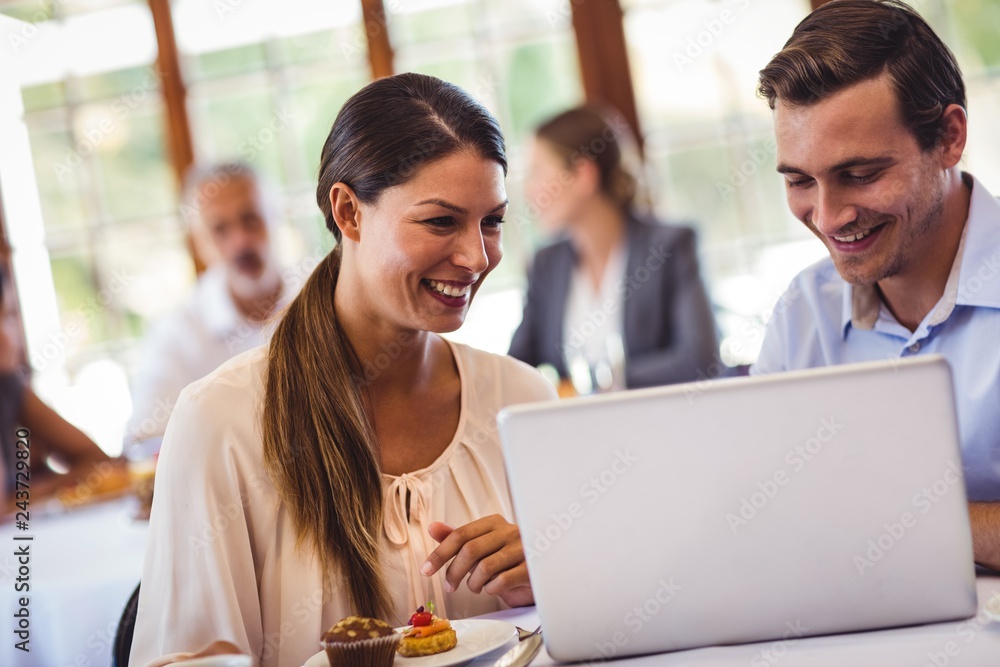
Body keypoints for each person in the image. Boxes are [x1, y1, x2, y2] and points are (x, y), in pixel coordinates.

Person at [130, 73, 556, 667]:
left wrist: (549, 587)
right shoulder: (220, 421)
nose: (476, 257)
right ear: (348, 211)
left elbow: (590, 628)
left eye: (492, 221)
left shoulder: (523, 399)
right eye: (441, 222)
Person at [752, 0, 1000, 569]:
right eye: (799, 181)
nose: (829, 216)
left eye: (859, 175)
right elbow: (761, 514)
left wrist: (895, 522)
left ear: (949, 137)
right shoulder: (802, 313)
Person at [508, 105, 718, 391]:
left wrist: (595, 382)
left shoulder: (671, 246)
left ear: (583, 175)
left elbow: (700, 360)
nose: (529, 191)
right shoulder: (546, 263)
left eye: (538, 172)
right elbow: (516, 368)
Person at [125, 162, 291, 443]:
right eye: (220, 229)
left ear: (275, 217)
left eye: (250, 218)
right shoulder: (176, 334)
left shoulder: (328, 296)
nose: (240, 242)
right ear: (198, 242)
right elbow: (146, 442)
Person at [0, 252, 114, 505]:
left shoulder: (8, 383)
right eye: (7, 316)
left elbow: (97, 460)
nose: (15, 331)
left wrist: (34, 492)